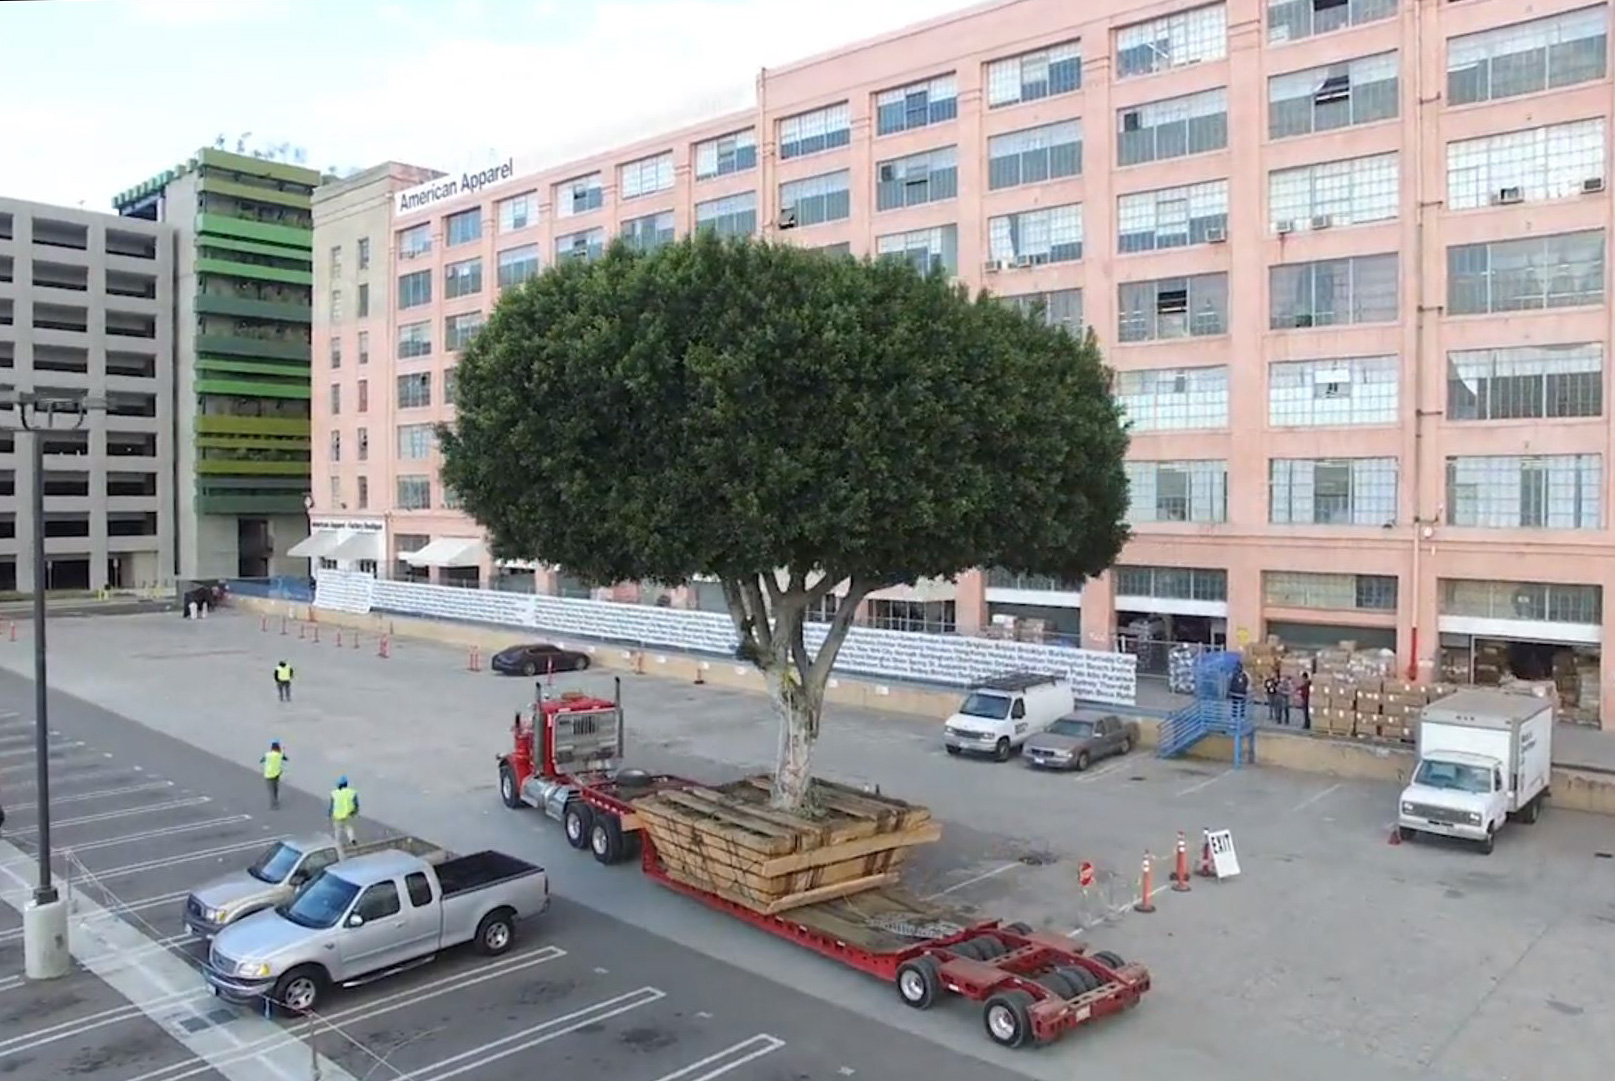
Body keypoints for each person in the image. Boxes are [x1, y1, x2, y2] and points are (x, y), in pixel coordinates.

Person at [329, 776, 359, 858]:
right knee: (349, 828)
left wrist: (329, 814)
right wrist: (355, 812)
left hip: (337, 816)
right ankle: (352, 839)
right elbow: (356, 804)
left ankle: (338, 846)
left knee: (338, 831)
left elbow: (332, 806)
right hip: (348, 815)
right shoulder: (352, 792)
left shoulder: (334, 793)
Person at [260, 740, 287, 810]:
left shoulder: (267, 754)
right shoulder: (279, 755)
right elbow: (285, 759)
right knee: (275, 789)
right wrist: (282, 752)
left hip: (268, 775)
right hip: (276, 774)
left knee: (271, 790)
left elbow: (262, 760)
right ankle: (275, 801)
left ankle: (274, 805)